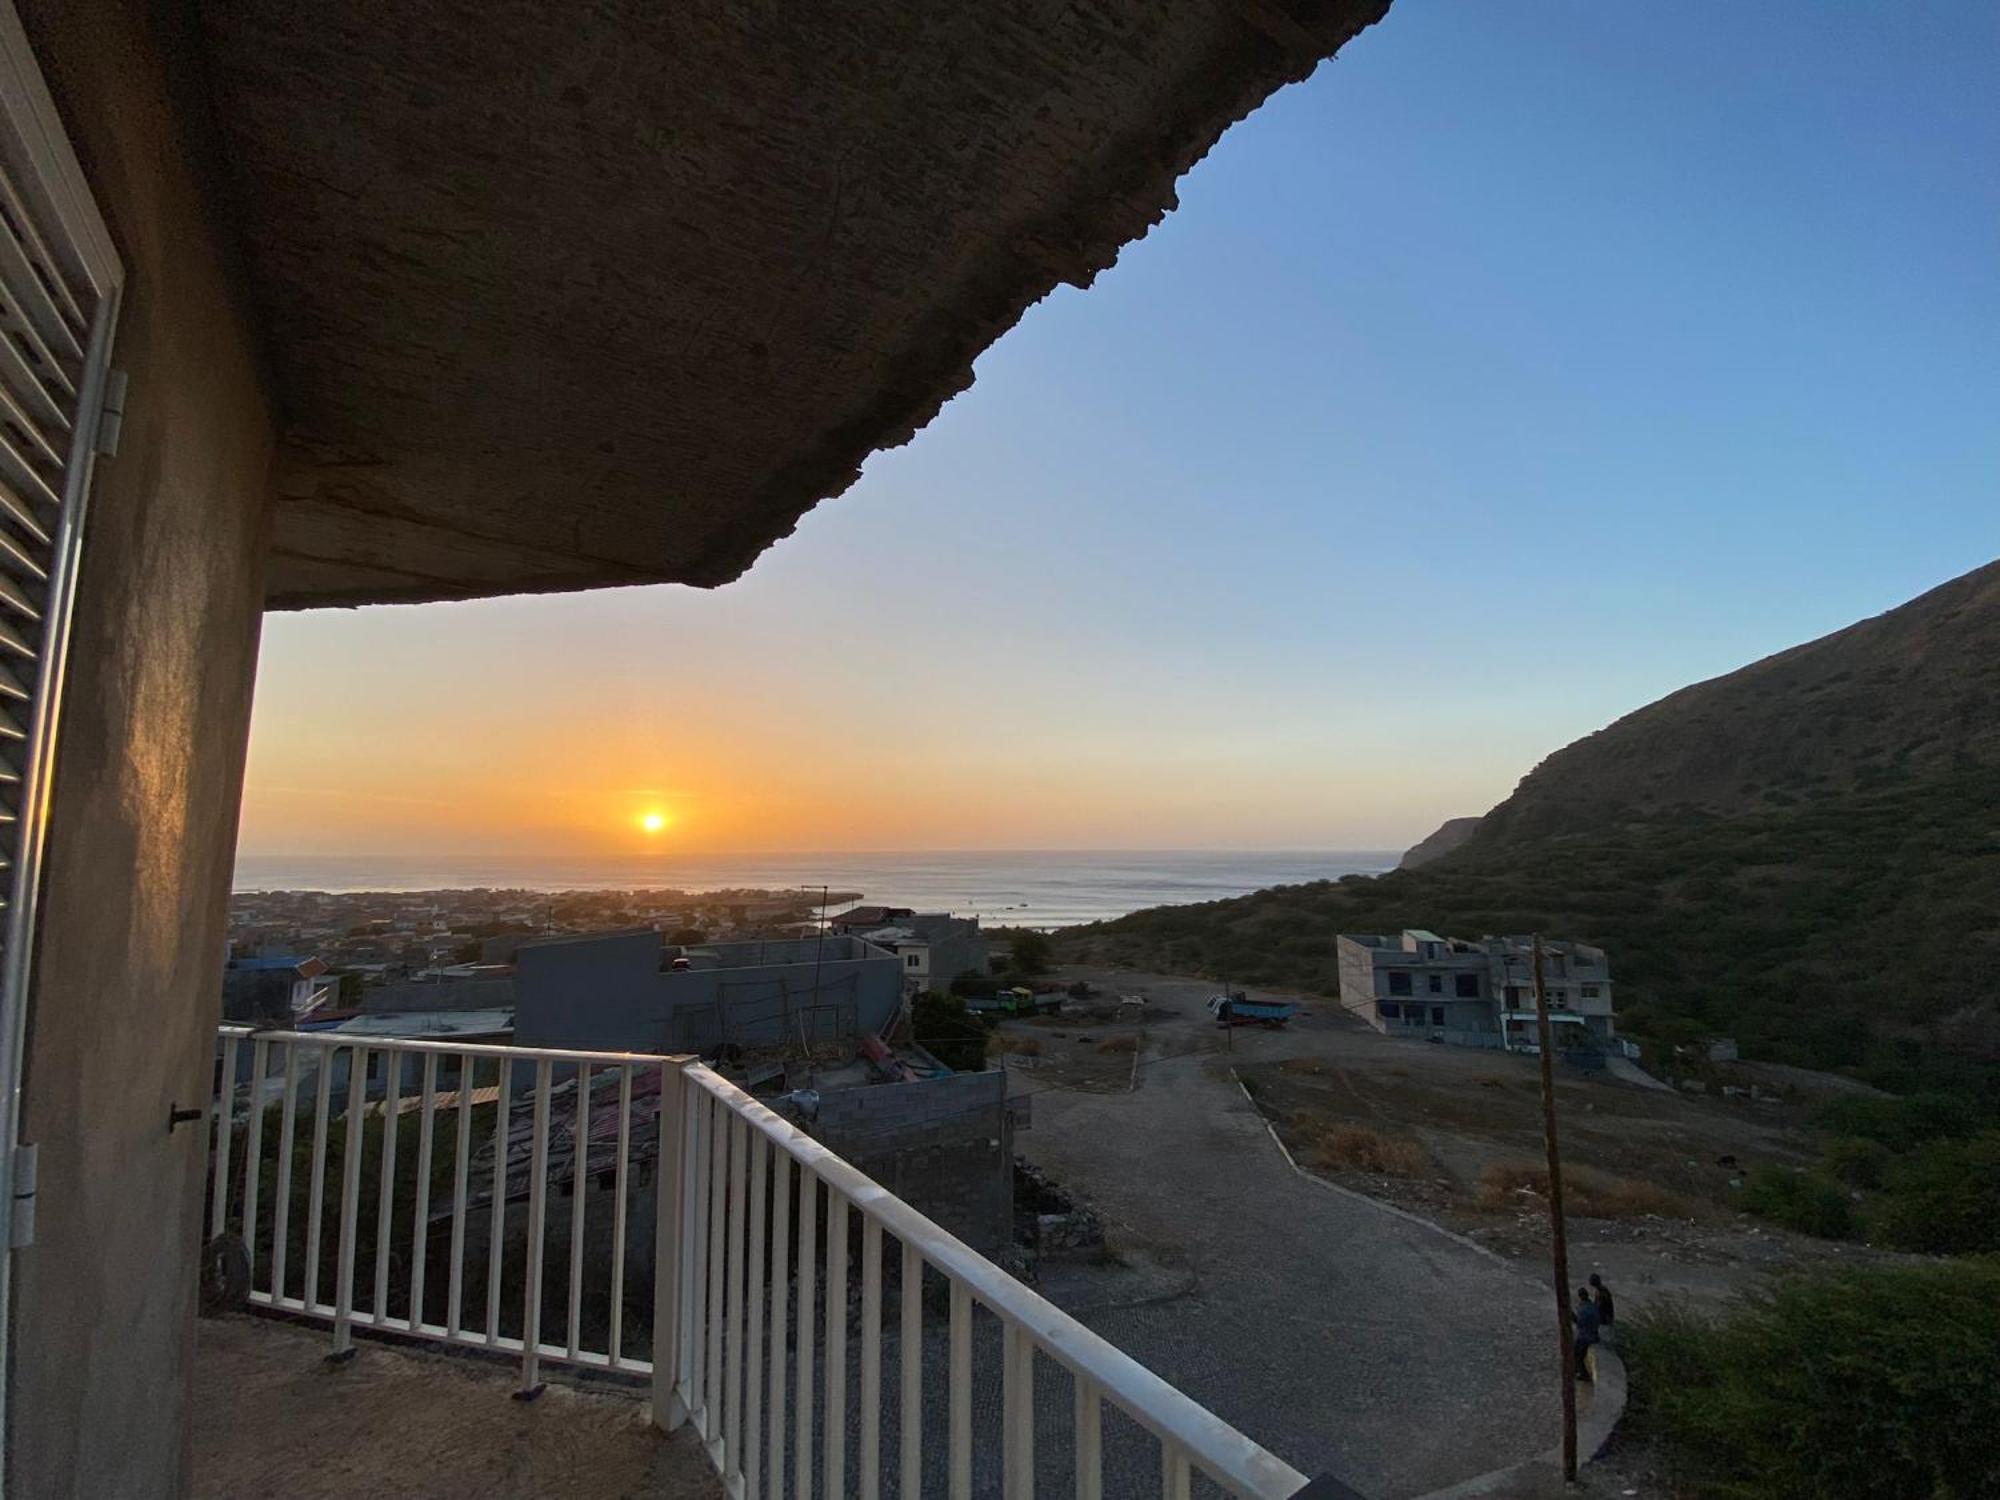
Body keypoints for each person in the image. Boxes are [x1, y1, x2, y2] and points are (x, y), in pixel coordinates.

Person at [1572, 1285, 1600, 1382]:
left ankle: (1582, 1374)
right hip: (1594, 1335)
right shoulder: (1592, 1306)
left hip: (1585, 1336)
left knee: (1576, 1354)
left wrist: (1572, 1316)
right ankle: (1578, 1371)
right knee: (1579, 1354)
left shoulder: (1582, 1309)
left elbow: (1580, 1323)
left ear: (1580, 1297)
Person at [1589, 1273, 1616, 1343]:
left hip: (1605, 1321)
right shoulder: (1601, 1291)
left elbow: (1599, 1306)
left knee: (1605, 1342)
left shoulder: (1602, 1292)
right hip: (1604, 1321)